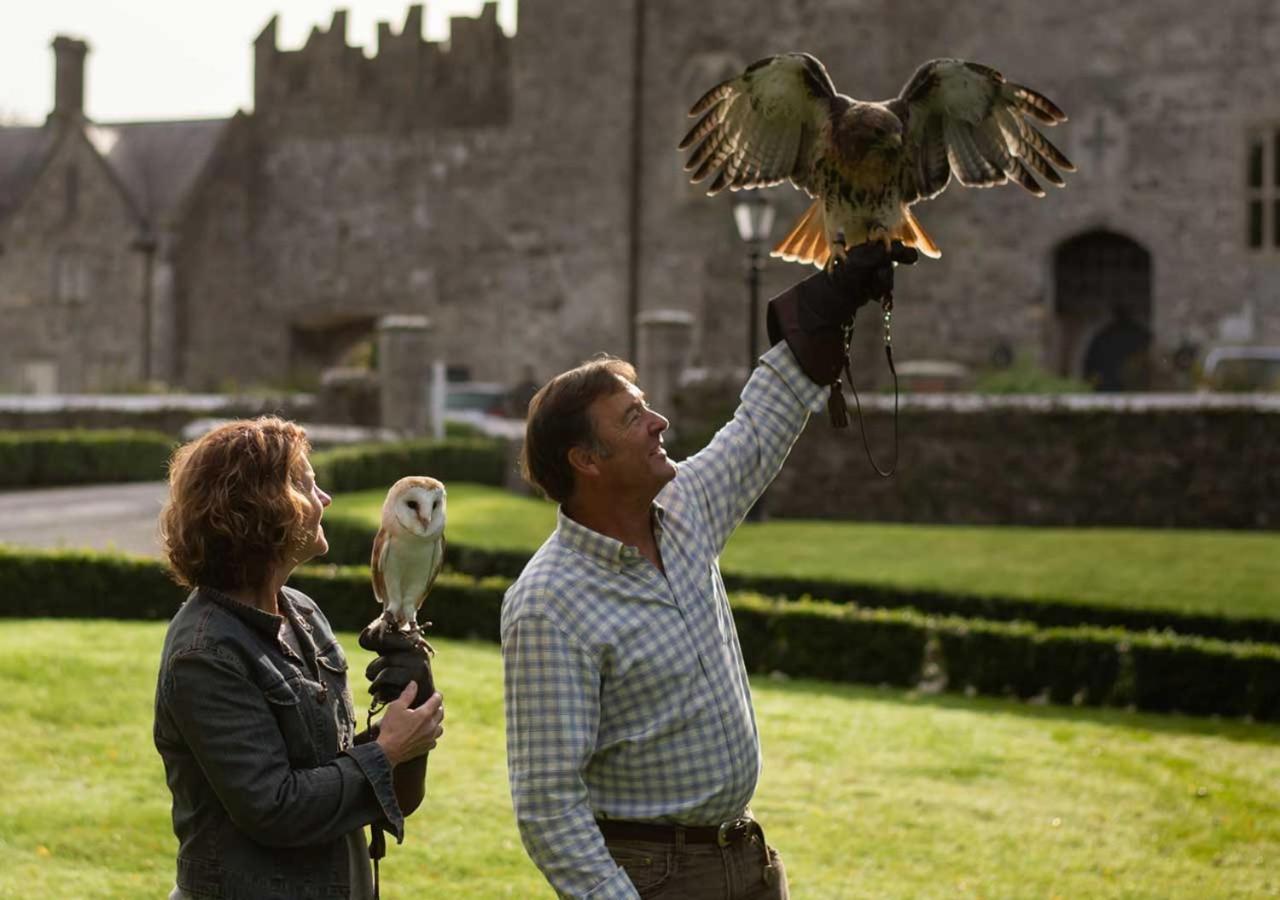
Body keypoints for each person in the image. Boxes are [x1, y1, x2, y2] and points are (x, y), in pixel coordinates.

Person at [501, 243, 917, 898]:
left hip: (745, 857)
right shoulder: (549, 600)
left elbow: (758, 428)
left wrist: (830, 302)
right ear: (587, 460)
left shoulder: (685, 506)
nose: (660, 422)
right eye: (635, 417)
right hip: (655, 877)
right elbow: (547, 805)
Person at [153, 416, 444, 899]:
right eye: (308, 485)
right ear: (263, 508)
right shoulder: (205, 653)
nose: (325, 499)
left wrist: (411, 711)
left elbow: (360, 787)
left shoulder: (303, 614)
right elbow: (275, 808)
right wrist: (387, 750)